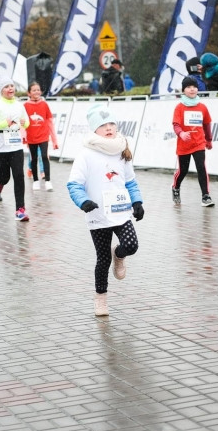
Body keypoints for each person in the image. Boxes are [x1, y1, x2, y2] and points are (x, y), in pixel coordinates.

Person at [66, 104, 145, 316]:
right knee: (103, 260)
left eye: (111, 123)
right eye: (103, 125)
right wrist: (83, 202)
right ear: (94, 130)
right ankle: (100, 299)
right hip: (98, 214)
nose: (109, 128)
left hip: (120, 211)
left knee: (131, 245)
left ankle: (119, 255)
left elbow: (130, 181)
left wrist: (137, 202)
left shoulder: (122, 150)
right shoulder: (86, 154)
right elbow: (74, 184)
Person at [0, 80, 30, 221]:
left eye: (12, 86)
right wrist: (3, 124)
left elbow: (27, 122)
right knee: (4, 179)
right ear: (2, 90)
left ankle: (20, 210)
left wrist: (24, 123)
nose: (10, 88)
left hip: (16, 146)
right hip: (0, 148)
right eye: (7, 86)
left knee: (19, 176)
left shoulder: (19, 105)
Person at [171, 76, 215, 207]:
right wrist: (182, 133)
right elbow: (176, 125)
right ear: (184, 90)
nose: (192, 89)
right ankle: (175, 187)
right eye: (189, 87)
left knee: (201, 168)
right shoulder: (179, 107)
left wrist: (209, 140)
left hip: (199, 143)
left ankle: (205, 196)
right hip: (184, 144)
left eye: (194, 87)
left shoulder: (202, 107)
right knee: (183, 170)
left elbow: (207, 124)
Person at [24, 82, 59, 191]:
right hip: (31, 137)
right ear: (29, 93)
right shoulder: (25, 106)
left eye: (38, 90)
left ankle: (48, 181)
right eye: (34, 90)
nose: (37, 92)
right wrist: (23, 136)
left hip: (43, 136)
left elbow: (49, 122)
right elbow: (22, 122)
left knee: (44, 157)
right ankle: (35, 181)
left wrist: (54, 140)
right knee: (33, 158)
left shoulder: (44, 104)